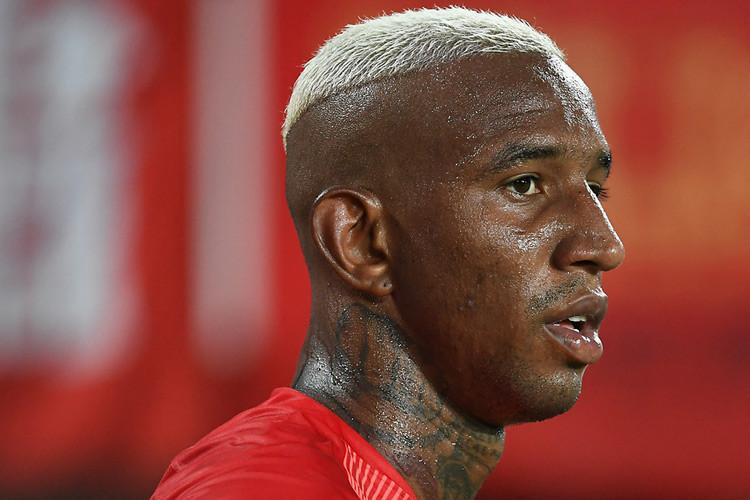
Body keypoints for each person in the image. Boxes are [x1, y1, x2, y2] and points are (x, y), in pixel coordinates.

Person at [153, 7, 624, 500]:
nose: (604, 246)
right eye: (524, 185)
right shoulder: (262, 488)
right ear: (360, 241)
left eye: (595, 189)